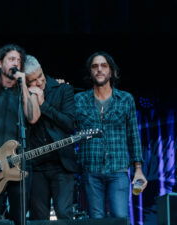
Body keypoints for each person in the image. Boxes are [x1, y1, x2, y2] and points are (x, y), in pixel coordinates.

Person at [74, 51, 147, 219]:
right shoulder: (79, 100)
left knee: (120, 216)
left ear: (112, 71)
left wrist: (138, 169)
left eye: (103, 66)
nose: (99, 69)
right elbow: (68, 127)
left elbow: (133, 135)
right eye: (95, 66)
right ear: (90, 72)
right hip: (90, 170)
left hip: (118, 169)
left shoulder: (125, 99)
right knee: (96, 218)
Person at [0, 44, 40, 225]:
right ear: (0, 63)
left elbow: (33, 117)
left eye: (19, 60)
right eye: (12, 59)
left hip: (19, 162)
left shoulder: (24, 92)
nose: (16, 63)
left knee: (20, 216)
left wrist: (24, 85)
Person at [24, 55, 80, 220]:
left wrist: (44, 105)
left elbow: (70, 124)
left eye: (40, 76)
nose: (39, 82)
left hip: (61, 165)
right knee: (38, 217)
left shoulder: (63, 90)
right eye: (33, 80)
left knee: (63, 213)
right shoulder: (23, 97)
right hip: (36, 166)